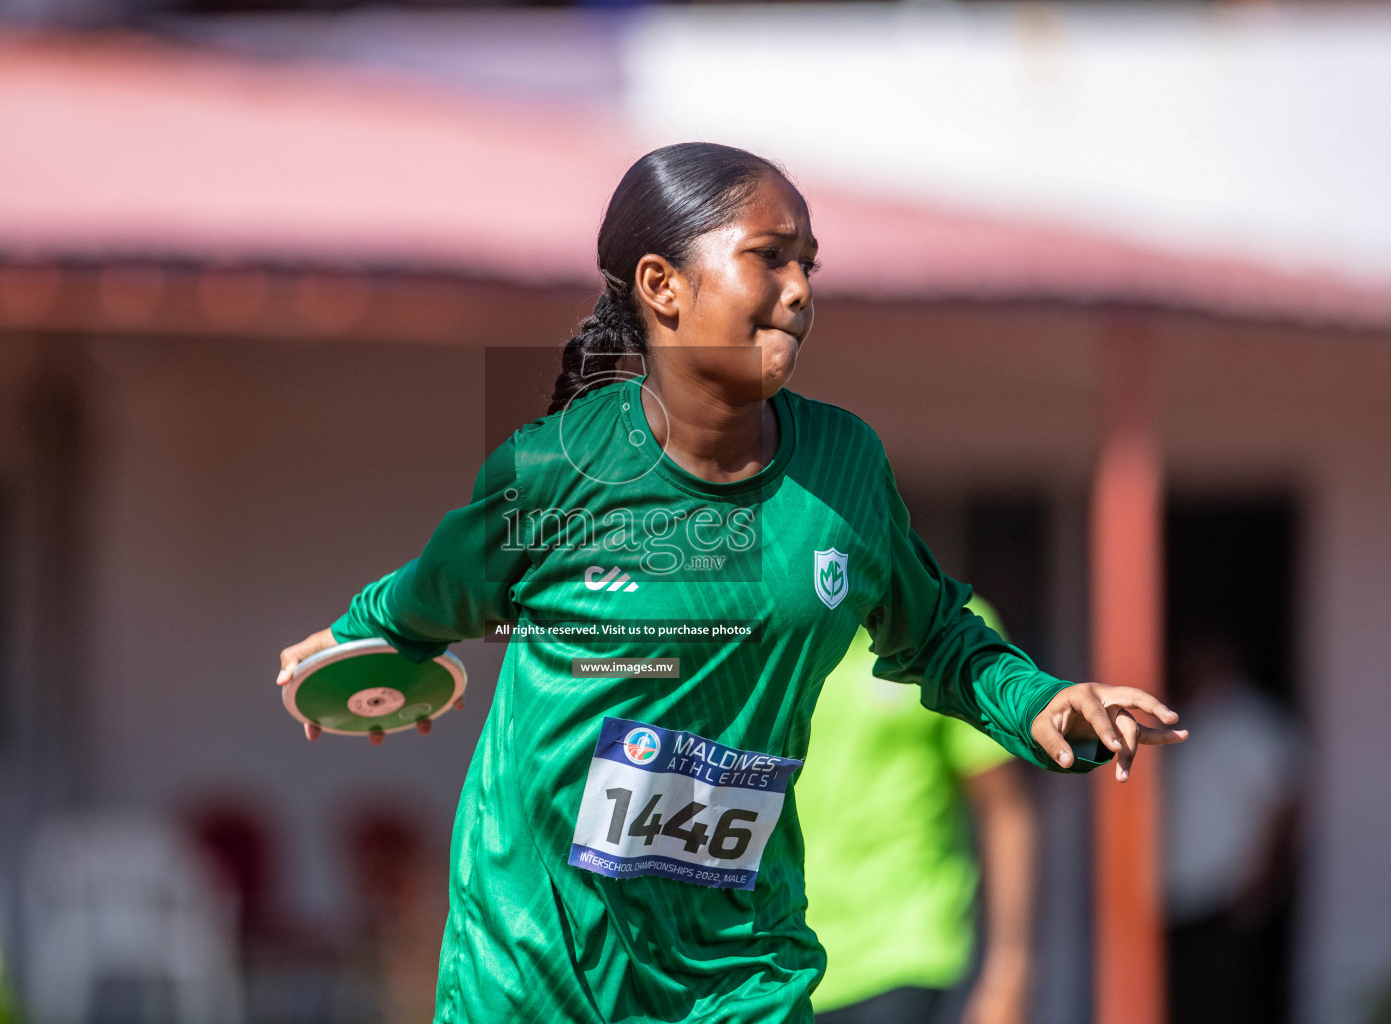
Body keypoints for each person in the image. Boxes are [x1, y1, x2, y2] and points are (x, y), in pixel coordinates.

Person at [276, 142, 1186, 1024]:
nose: (799, 292)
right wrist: (359, 647)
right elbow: (433, 595)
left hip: (738, 968)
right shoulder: (555, 469)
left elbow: (939, 632)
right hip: (539, 958)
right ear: (661, 285)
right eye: (769, 258)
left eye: (809, 266)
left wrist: (1038, 702)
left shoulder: (844, 470)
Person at [800, 600, 1036, 1024]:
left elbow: (1003, 810)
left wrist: (1009, 971)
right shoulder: (781, 624)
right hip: (785, 948)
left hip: (902, 943)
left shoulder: (946, 624)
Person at [1163, 633, 1303, 1024]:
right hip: (1170, 894)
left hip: (1225, 893)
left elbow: (1286, 803)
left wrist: (1263, 878)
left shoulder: (1254, 722)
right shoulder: (1175, 713)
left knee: (1224, 999)